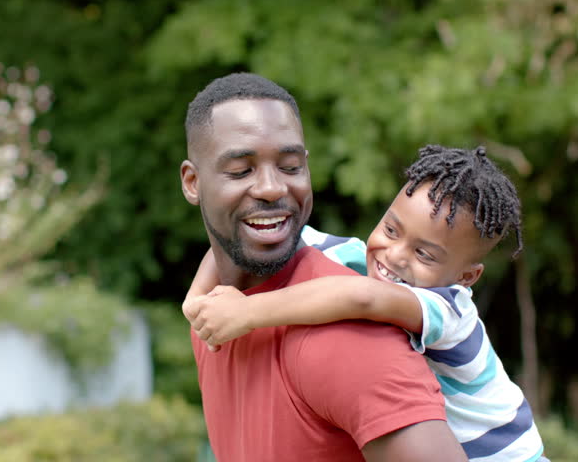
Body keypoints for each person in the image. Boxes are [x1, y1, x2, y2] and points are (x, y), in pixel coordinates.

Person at [183, 145, 547, 461]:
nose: (395, 255)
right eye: (391, 230)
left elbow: (362, 298)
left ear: (467, 277)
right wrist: (196, 299)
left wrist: (247, 313)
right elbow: (248, 236)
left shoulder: (451, 309)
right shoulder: (355, 257)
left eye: (424, 254)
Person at [179, 72, 467, 461]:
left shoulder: (348, 336)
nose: (272, 187)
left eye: (290, 166)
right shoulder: (214, 314)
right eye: (241, 170)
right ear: (193, 182)